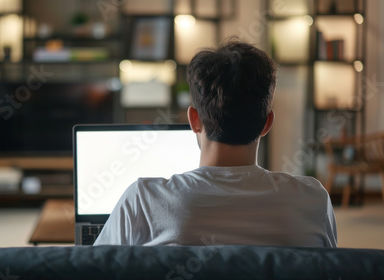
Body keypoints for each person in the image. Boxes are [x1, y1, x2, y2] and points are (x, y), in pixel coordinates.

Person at [94, 40, 337, 247]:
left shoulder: (143, 201)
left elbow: (92, 270)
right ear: (267, 123)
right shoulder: (312, 200)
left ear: (194, 120)